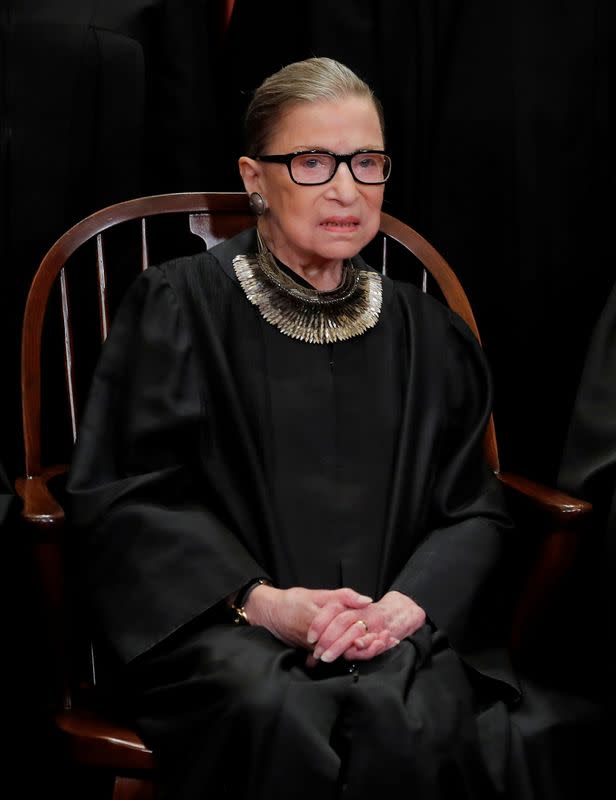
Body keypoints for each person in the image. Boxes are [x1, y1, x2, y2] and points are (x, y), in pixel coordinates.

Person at [66, 56, 586, 799]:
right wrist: (267, 604)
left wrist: (408, 607)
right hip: (225, 628)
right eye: (313, 161)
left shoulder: (425, 331)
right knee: (278, 707)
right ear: (254, 177)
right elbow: (130, 497)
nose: (347, 188)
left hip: (392, 628)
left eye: (367, 162)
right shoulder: (178, 308)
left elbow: (471, 506)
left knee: (417, 705)